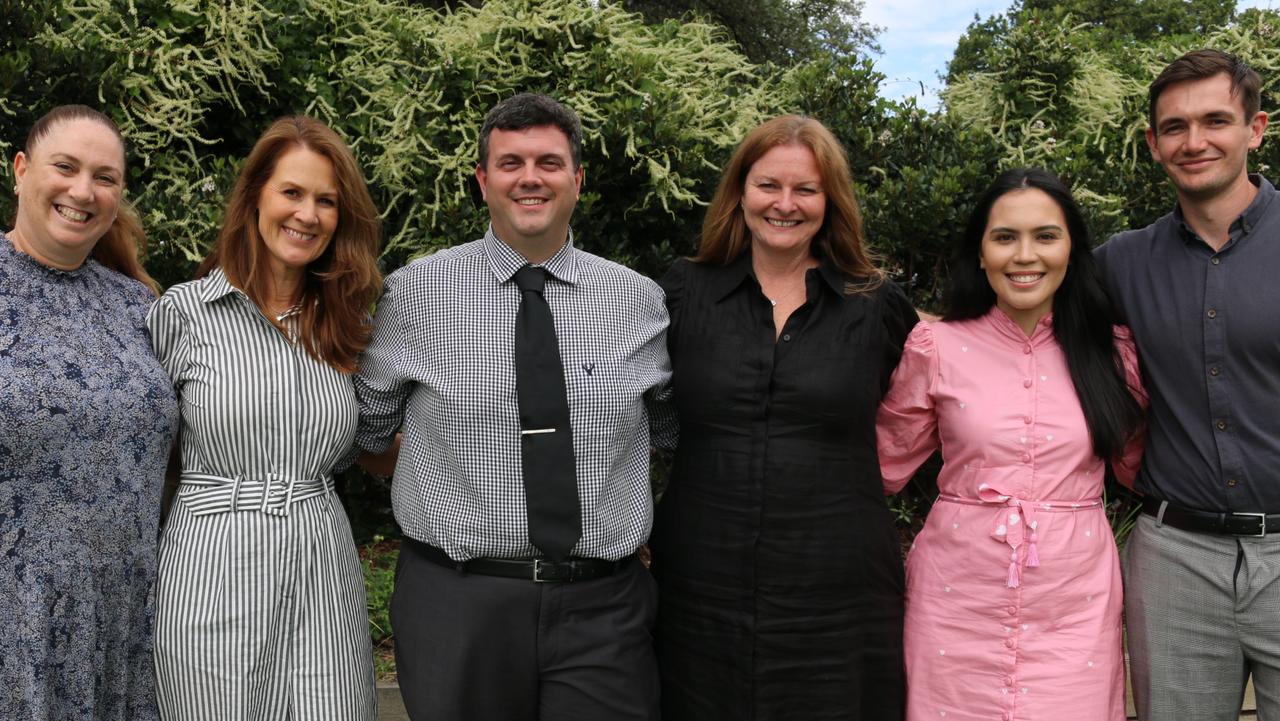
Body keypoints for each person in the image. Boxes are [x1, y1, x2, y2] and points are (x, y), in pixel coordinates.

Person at [353, 92, 672, 721]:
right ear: (482, 180)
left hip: (603, 611)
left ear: (578, 180)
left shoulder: (638, 301)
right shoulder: (413, 294)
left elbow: (665, 431)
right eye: (511, 163)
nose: (531, 178)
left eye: (549, 163)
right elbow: (369, 432)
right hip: (458, 602)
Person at [650, 114, 916, 720]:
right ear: (740, 191)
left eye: (806, 190)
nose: (785, 205)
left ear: (832, 200)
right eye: (769, 185)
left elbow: (940, 411)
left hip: (839, 590)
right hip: (700, 585)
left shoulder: (875, 305)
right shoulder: (681, 293)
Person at [877, 168, 1146, 720]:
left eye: (1046, 236)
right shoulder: (937, 346)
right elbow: (882, 464)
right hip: (956, 598)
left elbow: (1140, 467)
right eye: (1005, 237)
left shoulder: (1114, 354)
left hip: (1075, 602)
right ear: (980, 254)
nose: (1025, 255)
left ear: (1072, 249)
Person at [147, 116, 381, 720]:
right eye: (292, 192)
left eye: (326, 201)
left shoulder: (346, 325)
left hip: (320, 567)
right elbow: (144, 453)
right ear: (255, 196)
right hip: (209, 564)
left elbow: (385, 438)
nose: (307, 214)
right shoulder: (184, 313)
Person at [1095, 48, 1279, 721]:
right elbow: (1013, 316)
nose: (1194, 141)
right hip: (1176, 558)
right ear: (1153, 143)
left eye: (1215, 120)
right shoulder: (1120, 262)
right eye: (1174, 127)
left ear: (1255, 129)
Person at [0, 105, 178, 720]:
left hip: (128, 618)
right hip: (16, 619)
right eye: (65, 167)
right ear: (21, 170)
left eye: (104, 177)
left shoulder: (140, 308)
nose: (83, 191)